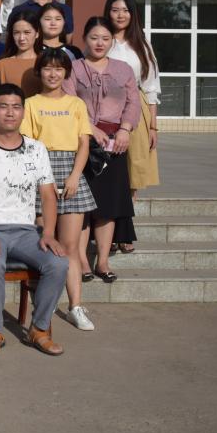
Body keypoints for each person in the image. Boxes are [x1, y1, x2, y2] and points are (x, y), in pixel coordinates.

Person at [0, 83, 69, 357]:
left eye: (16, 107)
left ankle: (39, 329)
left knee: (58, 263)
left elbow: (48, 195)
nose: (10, 113)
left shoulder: (36, 149)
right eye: (3, 107)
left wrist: (48, 233)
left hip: (25, 232)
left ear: (23, 112)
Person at [20, 48, 98, 332]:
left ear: (66, 72)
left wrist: (76, 175)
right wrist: (44, 179)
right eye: (47, 68)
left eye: (58, 68)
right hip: (42, 172)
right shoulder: (30, 103)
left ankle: (75, 307)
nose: (53, 74)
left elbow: (84, 143)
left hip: (71, 172)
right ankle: (46, 303)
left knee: (71, 248)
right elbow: (28, 144)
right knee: (47, 244)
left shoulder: (76, 104)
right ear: (39, 71)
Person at [64, 17, 140, 283]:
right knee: (83, 206)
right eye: (94, 37)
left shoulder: (123, 69)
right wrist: (88, 127)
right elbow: (69, 101)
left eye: (105, 38)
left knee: (108, 205)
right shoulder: (74, 68)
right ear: (85, 38)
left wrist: (125, 129)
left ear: (112, 41)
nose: (99, 43)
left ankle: (103, 260)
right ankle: (83, 260)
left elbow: (133, 103)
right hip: (83, 142)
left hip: (115, 143)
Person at [105, 0, 161, 208]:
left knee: (133, 169)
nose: (120, 15)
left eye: (126, 10)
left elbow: (151, 87)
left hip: (136, 106)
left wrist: (153, 127)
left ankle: (126, 223)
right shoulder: (102, 40)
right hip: (105, 107)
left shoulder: (142, 45)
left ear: (133, 14)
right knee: (108, 166)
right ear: (108, 12)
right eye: (115, 10)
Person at [0, 9, 42, 97]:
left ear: (37, 34)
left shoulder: (45, 63)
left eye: (27, 32)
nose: (21, 38)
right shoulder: (2, 65)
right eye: (16, 33)